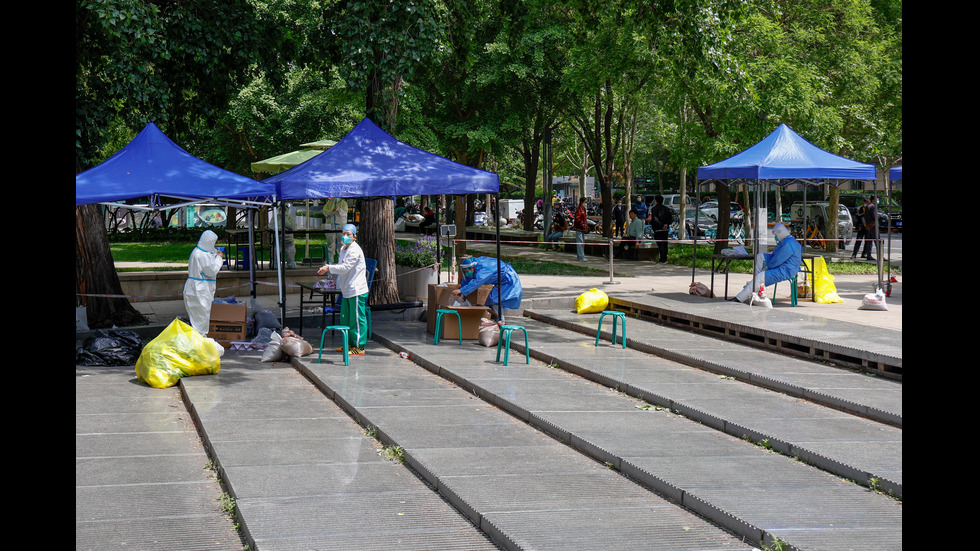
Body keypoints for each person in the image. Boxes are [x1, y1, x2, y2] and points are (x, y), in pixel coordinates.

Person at [317, 223, 369, 355]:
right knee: (346, 319)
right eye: (344, 233)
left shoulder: (355, 250)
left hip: (356, 290)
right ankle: (350, 344)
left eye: (349, 234)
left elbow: (345, 267)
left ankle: (359, 346)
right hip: (347, 289)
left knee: (357, 319)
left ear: (354, 236)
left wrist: (329, 267)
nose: (345, 236)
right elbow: (341, 267)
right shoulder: (343, 249)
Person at [731, 223, 802, 303]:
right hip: (783, 266)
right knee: (760, 257)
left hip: (785, 270)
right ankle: (755, 285)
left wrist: (766, 268)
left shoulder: (788, 244)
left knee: (760, 277)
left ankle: (739, 298)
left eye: (776, 234)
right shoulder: (788, 241)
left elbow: (777, 260)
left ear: (780, 232)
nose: (775, 237)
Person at [453, 256, 523, 320]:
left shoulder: (484, 269)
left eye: (467, 271)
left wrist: (461, 290)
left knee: (494, 301)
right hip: (500, 282)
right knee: (490, 303)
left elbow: (477, 282)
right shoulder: (474, 266)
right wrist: (462, 295)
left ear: (473, 268)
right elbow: (467, 280)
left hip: (508, 281)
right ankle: (494, 320)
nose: (466, 273)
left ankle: (500, 321)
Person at [183, 230, 224, 336]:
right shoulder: (202, 255)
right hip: (200, 290)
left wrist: (215, 254)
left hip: (194, 288)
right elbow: (212, 270)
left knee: (197, 318)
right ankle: (200, 343)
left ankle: (198, 341)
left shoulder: (197, 251)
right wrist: (219, 258)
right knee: (201, 320)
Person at [648, 195, 672, 263]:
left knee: (660, 244)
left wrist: (660, 225)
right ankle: (665, 258)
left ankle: (662, 258)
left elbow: (655, 219)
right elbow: (670, 218)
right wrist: (666, 224)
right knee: (665, 243)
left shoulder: (654, 209)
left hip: (658, 229)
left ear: (655, 201)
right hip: (665, 229)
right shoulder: (667, 209)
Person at [859, 195, 878, 260]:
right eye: (877, 200)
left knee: (869, 242)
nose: (877, 201)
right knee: (877, 242)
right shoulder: (872, 207)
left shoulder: (867, 207)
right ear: (873, 200)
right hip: (873, 226)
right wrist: (879, 216)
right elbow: (874, 217)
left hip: (868, 226)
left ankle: (868, 255)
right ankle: (880, 255)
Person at [572, 197, 589, 261]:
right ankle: (580, 257)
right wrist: (582, 223)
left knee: (582, 242)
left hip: (583, 229)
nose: (586, 204)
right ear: (582, 202)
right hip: (579, 228)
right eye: (585, 202)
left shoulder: (583, 209)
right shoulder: (579, 209)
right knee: (579, 243)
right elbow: (577, 218)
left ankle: (582, 256)